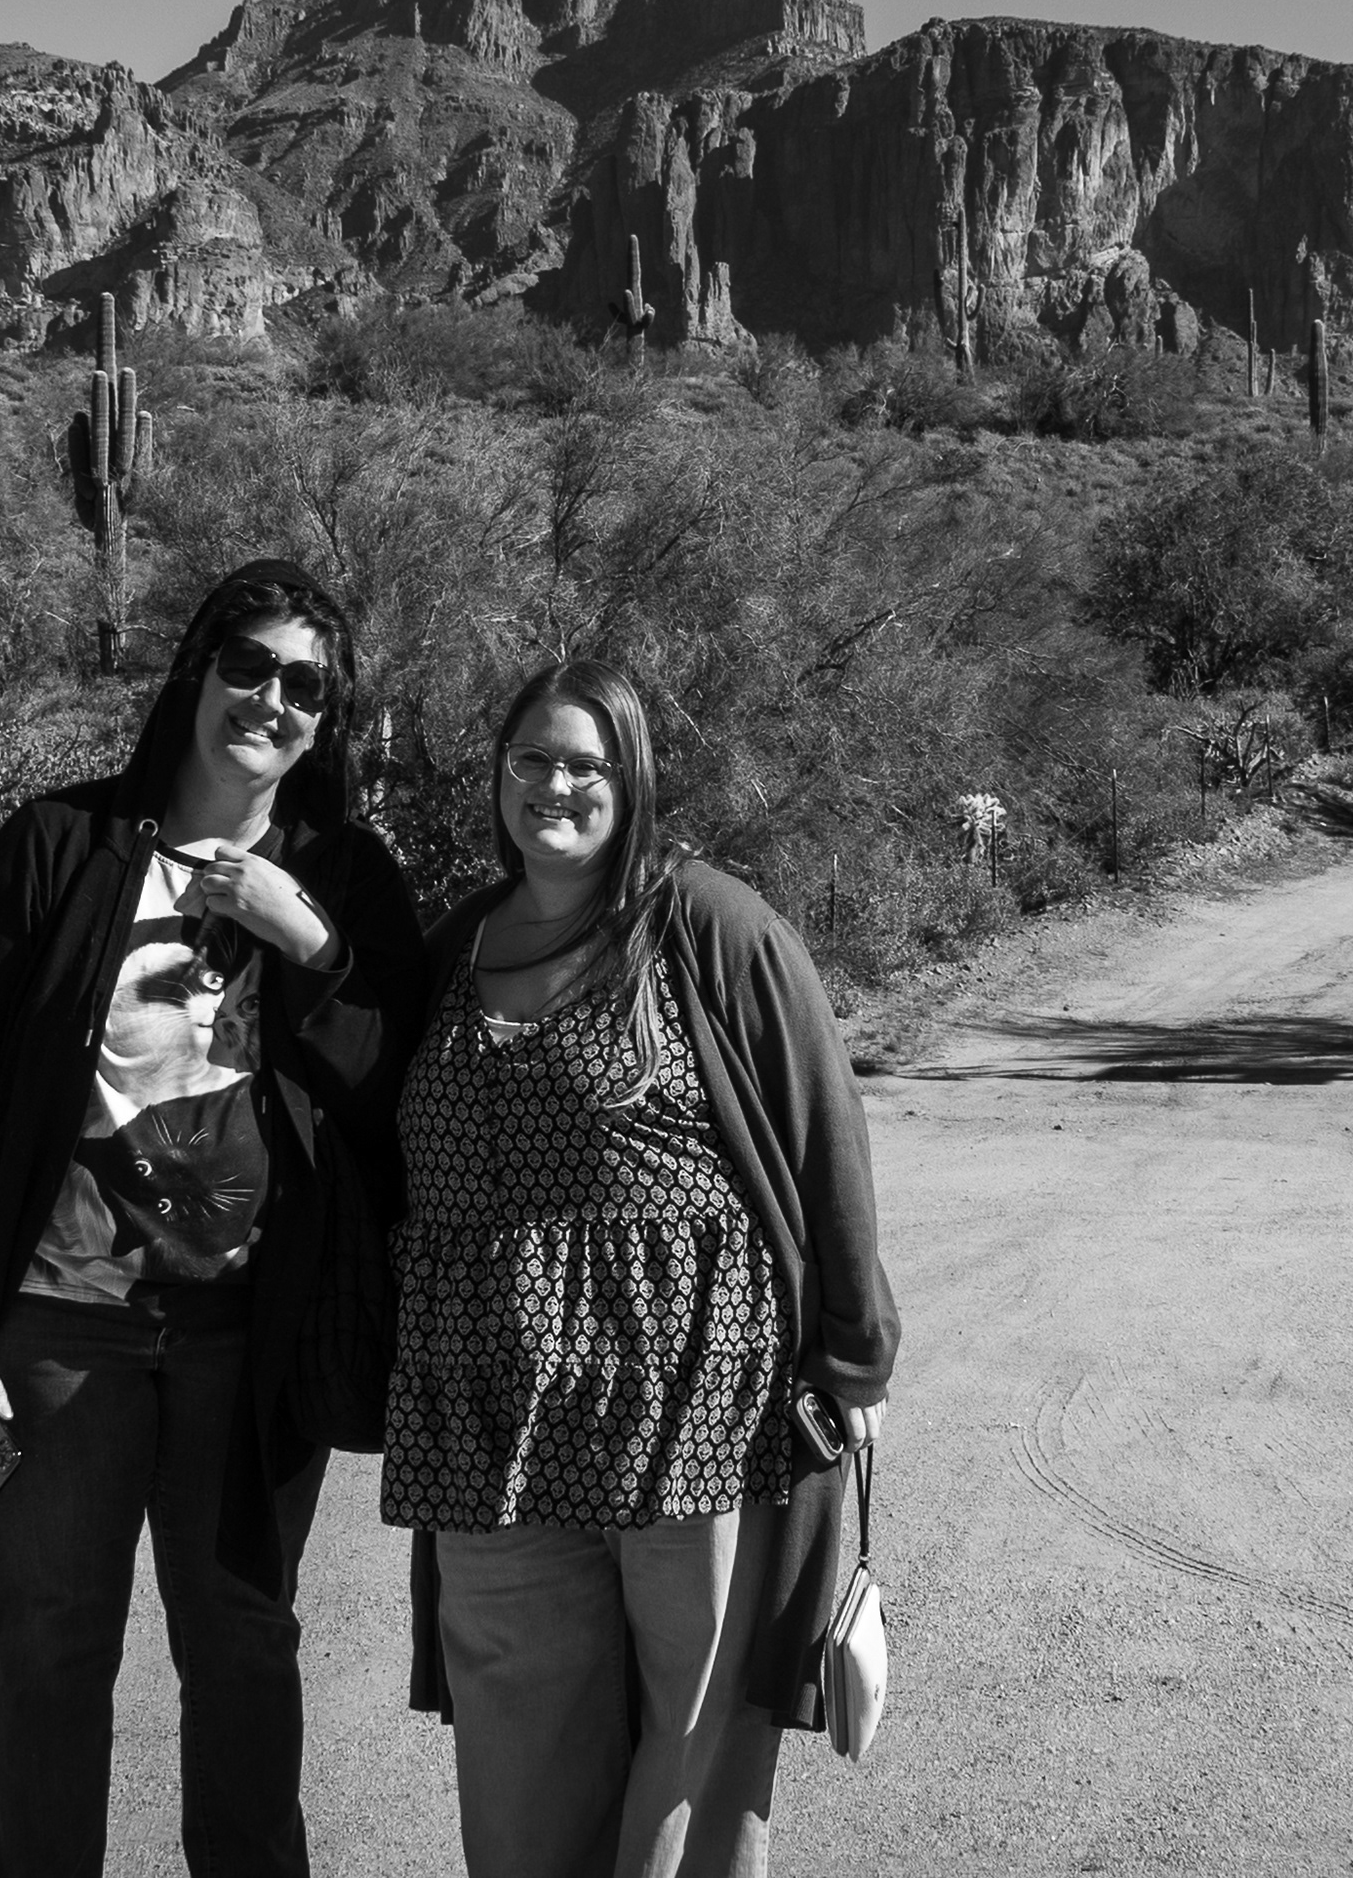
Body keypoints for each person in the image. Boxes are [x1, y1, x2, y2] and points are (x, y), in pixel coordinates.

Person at [0, 559, 426, 1878]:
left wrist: (312, 942)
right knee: (46, 1649)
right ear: (197, 670)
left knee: (244, 1646)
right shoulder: (58, 846)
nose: (270, 699)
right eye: (248, 663)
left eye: (304, 685)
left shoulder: (342, 874)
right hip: (54, 1326)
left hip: (252, 1333)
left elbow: (396, 1088)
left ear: (325, 721)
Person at [382, 657, 900, 1878]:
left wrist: (855, 1356)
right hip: (488, 1414)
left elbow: (824, 1134)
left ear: (633, 780)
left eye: (587, 763)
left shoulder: (708, 924)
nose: (554, 785)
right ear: (498, 774)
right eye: (531, 758)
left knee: (693, 1730)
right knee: (516, 1738)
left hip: (691, 1405)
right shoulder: (453, 943)